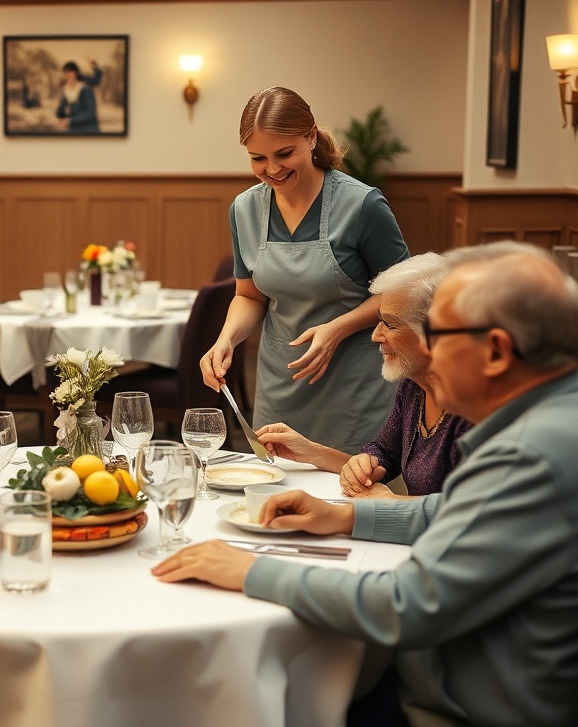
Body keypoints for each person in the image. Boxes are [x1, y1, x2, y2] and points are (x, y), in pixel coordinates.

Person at [156, 242, 578, 726]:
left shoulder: (528, 453)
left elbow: (407, 604)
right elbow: (458, 511)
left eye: (438, 333)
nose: (427, 351)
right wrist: (345, 514)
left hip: (466, 706)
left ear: (498, 350)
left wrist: (251, 572)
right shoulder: (551, 416)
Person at [200, 86, 410, 454]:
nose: (273, 169)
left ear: (311, 137)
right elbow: (249, 296)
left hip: (354, 391)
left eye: (284, 154)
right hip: (280, 387)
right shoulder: (244, 210)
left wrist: (336, 329)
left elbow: (401, 294)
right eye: (258, 158)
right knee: (271, 502)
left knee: (351, 499)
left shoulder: (362, 205)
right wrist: (226, 340)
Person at [256, 252, 471, 497]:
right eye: (379, 320)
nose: (375, 335)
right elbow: (385, 453)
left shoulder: (476, 411)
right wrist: (311, 452)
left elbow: (470, 518)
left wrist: (392, 504)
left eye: (389, 324)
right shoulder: (415, 385)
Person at [56, 59, 102, 133]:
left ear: (76, 74)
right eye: (65, 73)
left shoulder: (85, 89)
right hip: (73, 130)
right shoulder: (65, 90)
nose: (67, 76)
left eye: (70, 73)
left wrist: (70, 121)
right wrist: (61, 112)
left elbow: (90, 114)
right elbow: (61, 112)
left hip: (89, 130)